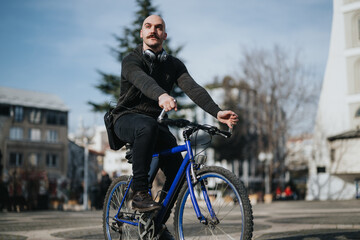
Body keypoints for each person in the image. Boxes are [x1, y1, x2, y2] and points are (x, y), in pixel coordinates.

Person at [112, 15, 238, 239]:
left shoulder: (173, 65)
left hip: (155, 123)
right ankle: (140, 193)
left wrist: (217, 112)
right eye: (148, 27)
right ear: (141, 33)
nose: (153, 31)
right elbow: (141, 79)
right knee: (146, 127)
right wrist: (160, 94)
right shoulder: (131, 60)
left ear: (164, 35)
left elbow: (193, 88)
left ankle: (156, 223)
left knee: (177, 173)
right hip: (126, 118)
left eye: (158, 28)